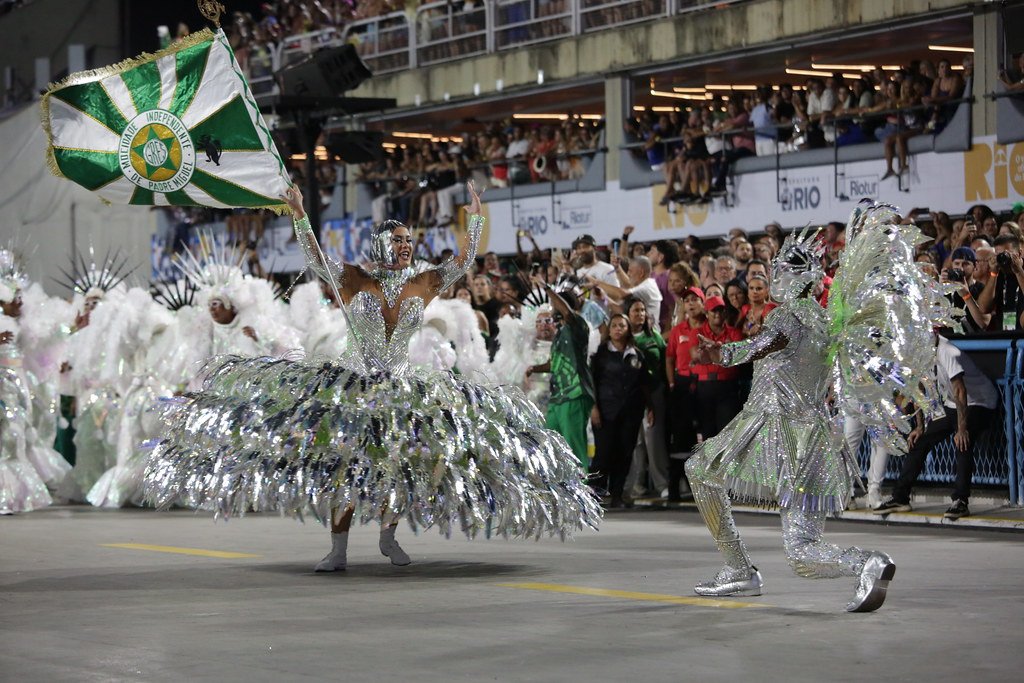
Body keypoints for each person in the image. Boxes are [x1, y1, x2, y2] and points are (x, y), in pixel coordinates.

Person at [145, 182, 601, 571]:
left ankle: (388, 536)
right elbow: (315, 258)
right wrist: (300, 213)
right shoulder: (352, 278)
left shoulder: (422, 283)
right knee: (345, 469)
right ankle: (338, 548)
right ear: (380, 243)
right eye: (399, 239)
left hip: (403, 389)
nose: (406, 246)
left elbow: (463, 264)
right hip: (353, 387)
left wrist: (476, 219)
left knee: (398, 466)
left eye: (409, 241)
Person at [685, 205, 949, 613]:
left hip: (782, 431)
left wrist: (716, 351)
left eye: (781, 269)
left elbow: (753, 348)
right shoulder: (826, 320)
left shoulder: (789, 318)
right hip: (811, 438)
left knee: (706, 476)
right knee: (792, 542)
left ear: (800, 276)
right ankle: (756, 568)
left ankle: (841, 564)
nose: (774, 276)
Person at [873, 334, 998, 520]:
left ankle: (960, 501)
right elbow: (919, 390)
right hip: (953, 404)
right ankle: (900, 497)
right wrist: (920, 426)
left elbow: (960, 390)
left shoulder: (947, 350)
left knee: (963, 440)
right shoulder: (920, 353)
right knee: (920, 440)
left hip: (980, 401)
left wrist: (961, 428)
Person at [589, 313, 653, 508]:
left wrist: (650, 407)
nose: (618, 329)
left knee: (625, 453)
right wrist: (594, 408)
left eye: (622, 326)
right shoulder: (600, 354)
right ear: (609, 330)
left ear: (628, 329)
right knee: (603, 454)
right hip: (606, 411)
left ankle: (617, 494)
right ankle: (594, 494)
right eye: (614, 325)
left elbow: (644, 384)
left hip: (631, 412)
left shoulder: (637, 354)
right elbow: (591, 383)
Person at [528, 286, 595, 469]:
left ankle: (582, 491)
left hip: (575, 393)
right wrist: (534, 368)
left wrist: (545, 286)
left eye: (553, 304)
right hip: (558, 397)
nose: (552, 308)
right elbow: (554, 363)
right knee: (551, 443)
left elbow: (567, 311)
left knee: (574, 446)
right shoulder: (560, 334)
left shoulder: (578, 325)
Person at [622, 297, 668, 500]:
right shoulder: (623, 337)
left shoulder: (654, 336)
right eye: (635, 310)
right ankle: (636, 485)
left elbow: (665, 360)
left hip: (654, 392)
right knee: (636, 441)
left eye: (642, 310)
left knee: (653, 439)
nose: (640, 314)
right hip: (632, 395)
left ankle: (662, 483)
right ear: (627, 313)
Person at [664, 286, 705, 501]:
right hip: (681, 385)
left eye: (695, 299)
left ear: (703, 302)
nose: (690, 303)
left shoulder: (709, 327)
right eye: (687, 300)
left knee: (702, 435)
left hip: (703, 382)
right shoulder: (678, 330)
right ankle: (674, 487)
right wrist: (672, 382)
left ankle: (701, 485)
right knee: (680, 436)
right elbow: (669, 357)